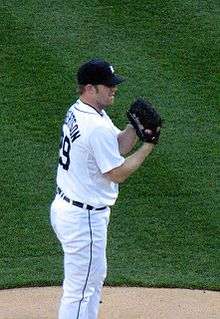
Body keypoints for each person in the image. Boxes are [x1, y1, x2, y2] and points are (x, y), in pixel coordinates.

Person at [50, 59, 155, 319]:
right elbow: (116, 172)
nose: (113, 89)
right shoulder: (93, 125)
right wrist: (148, 146)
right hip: (82, 217)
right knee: (80, 290)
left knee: (91, 282)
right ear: (90, 88)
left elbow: (114, 147)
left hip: (71, 207)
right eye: (107, 86)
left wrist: (133, 128)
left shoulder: (84, 110)